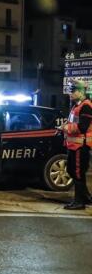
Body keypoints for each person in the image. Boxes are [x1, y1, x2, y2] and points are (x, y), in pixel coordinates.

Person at [62, 80, 92, 210]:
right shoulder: (76, 106)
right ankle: (85, 197)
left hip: (81, 146)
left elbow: (83, 127)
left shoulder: (86, 106)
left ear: (81, 92)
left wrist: (67, 128)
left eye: (73, 91)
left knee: (78, 173)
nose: (70, 94)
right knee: (72, 171)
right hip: (73, 145)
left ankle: (79, 202)